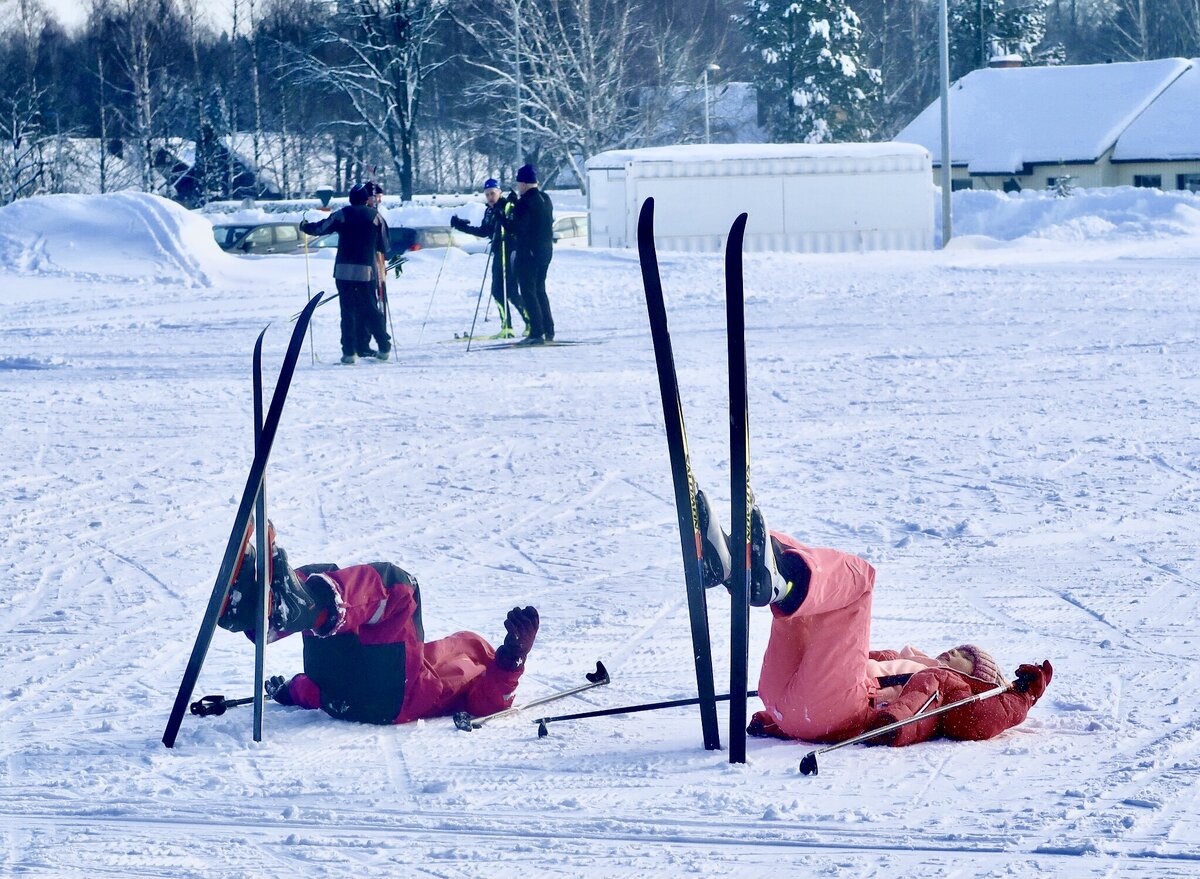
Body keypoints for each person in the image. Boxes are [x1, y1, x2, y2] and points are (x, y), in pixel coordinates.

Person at [694, 490, 1054, 746]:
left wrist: (1022, 697)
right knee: (814, 602)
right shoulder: (907, 663)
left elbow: (981, 719)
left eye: (965, 656)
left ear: (975, 675)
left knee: (859, 582)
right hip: (784, 701)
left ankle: (777, 582)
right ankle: (735, 564)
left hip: (833, 710)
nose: (952, 653)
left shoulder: (959, 690)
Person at [217, 525, 540, 725]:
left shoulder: (486, 665)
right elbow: (323, 689)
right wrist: (292, 690)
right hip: (346, 693)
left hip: (392, 702)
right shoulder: (436, 656)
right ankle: (258, 613)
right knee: (328, 577)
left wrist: (513, 657)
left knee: (397, 588)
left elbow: (491, 703)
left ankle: (295, 608)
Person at [300, 184, 391, 364]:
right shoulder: (375, 216)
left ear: (350, 199)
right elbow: (384, 246)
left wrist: (305, 226)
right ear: (366, 199)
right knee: (371, 309)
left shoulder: (342, 214)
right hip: (366, 271)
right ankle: (383, 346)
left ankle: (349, 353)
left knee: (347, 311)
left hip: (343, 271)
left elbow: (320, 228)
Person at [450, 179, 526, 337]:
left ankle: (531, 322)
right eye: (487, 194)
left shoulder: (507, 206)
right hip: (499, 252)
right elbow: (484, 231)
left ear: (499, 192)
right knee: (497, 291)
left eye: (493, 193)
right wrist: (461, 226)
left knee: (510, 291)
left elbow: (516, 225)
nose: (490, 197)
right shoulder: (489, 211)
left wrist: (510, 210)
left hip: (510, 251)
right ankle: (507, 326)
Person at [495, 164, 555, 345]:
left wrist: (503, 218)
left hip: (528, 253)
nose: (518, 186)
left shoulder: (526, 202)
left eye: (519, 183)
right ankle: (548, 329)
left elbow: (517, 228)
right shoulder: (545, 198)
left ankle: (536, 332)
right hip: (545, 251)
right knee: (540, 290)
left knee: (528, 291)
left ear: (524, 183)